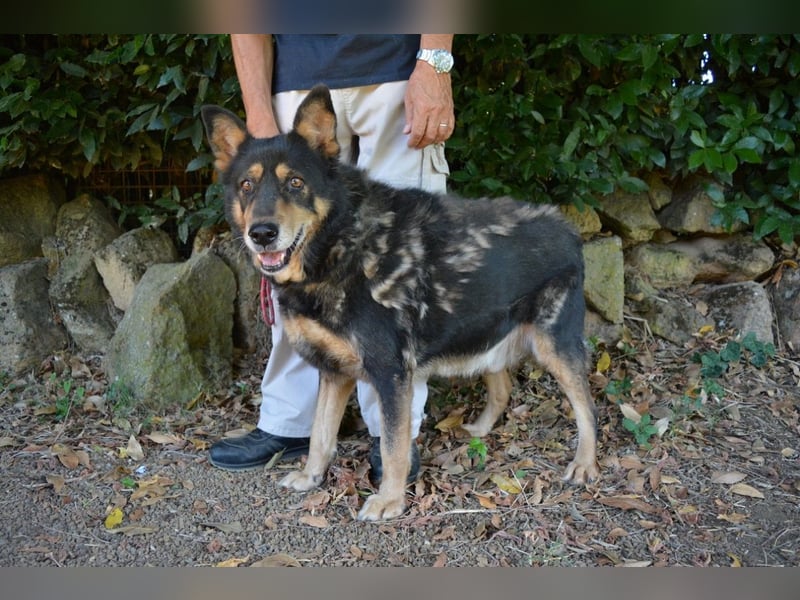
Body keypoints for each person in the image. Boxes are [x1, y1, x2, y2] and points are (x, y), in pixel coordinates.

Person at [209, 34, 455, 484]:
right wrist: (258, 109)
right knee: (291, 261)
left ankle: (394, 437)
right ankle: (290, 423)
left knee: (400, 268)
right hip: (295, 76)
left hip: (398, 71)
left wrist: (435, 62)